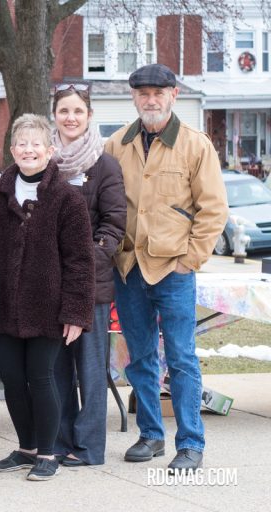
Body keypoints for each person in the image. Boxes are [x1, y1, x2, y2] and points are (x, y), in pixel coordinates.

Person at [105, 63, 228, 472]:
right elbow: (105, 203)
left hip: (173, 269)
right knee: (139, 357)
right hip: (129, 267)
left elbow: (213, 210)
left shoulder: (195, 145)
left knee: (180, 358)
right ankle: (151, 435)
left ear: (173, 95)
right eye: (143, 94)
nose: (151, 100)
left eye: (159, 93)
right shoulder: (116, 144)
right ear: (134, 97)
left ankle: (190, 443)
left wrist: (188, 261)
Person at [0, 114, 95, 481]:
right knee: (11, 375)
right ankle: (26, 447)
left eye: (36, 144)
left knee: (41, 377)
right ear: (12, 150)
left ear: (49, 150)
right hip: (5, 304)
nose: (29, 150)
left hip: (48, 307)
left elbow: (80, 261)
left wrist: (75, 311)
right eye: (22, 144)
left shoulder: (67, 198)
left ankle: (48, 451)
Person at [50, 84, 126, 467]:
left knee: (91, 369)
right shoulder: (45, 163)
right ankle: (61, 441)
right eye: (64, 111)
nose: (71, 118)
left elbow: (114, 224)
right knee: (57, 368)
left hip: (91, 286)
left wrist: (87, 260)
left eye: (78, 111)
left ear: (89, 115)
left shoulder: (104, 165)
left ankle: (89, 447)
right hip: (50, 286)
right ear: (55, 115)